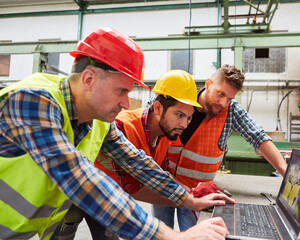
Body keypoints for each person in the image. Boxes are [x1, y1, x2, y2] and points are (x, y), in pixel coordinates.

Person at [0, 27, 234, 240]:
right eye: (121, 91)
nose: (125, 103)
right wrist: (174, 236)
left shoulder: (99, 121)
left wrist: (189, 199)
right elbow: (80, 178)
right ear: (89, 79)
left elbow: (137, 162)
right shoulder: (32, 101)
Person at [152, 64, 300, 231]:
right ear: (208, 84)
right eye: (220, 93)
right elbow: (152, 120)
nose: (223, 103)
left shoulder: (231, 110)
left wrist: (288, 174)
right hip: (164, 183)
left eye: (229, 97)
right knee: (159, 232)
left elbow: (259, 138)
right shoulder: (182, 101)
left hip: (198, 192)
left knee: (194, 233)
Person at [52, 69, 205, 239]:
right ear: (158, 108)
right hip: (73, 194)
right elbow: (132, 188)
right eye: (179, 115)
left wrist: (192, 195)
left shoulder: (167, 132)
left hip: (106, 197)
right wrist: (188, 204)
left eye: (189, 118)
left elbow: (151, 169)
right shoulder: (123, 126)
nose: (184, 124)